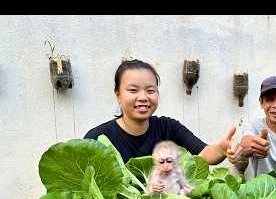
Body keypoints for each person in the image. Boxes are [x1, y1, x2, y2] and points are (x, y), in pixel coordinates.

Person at [84, 59, 235, 165]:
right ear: (118, 94)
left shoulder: (168, 128)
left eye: (150, 90)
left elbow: (203, 154)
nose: (143, 97)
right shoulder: (96, 139)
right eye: (133, 90)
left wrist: (221, 149)